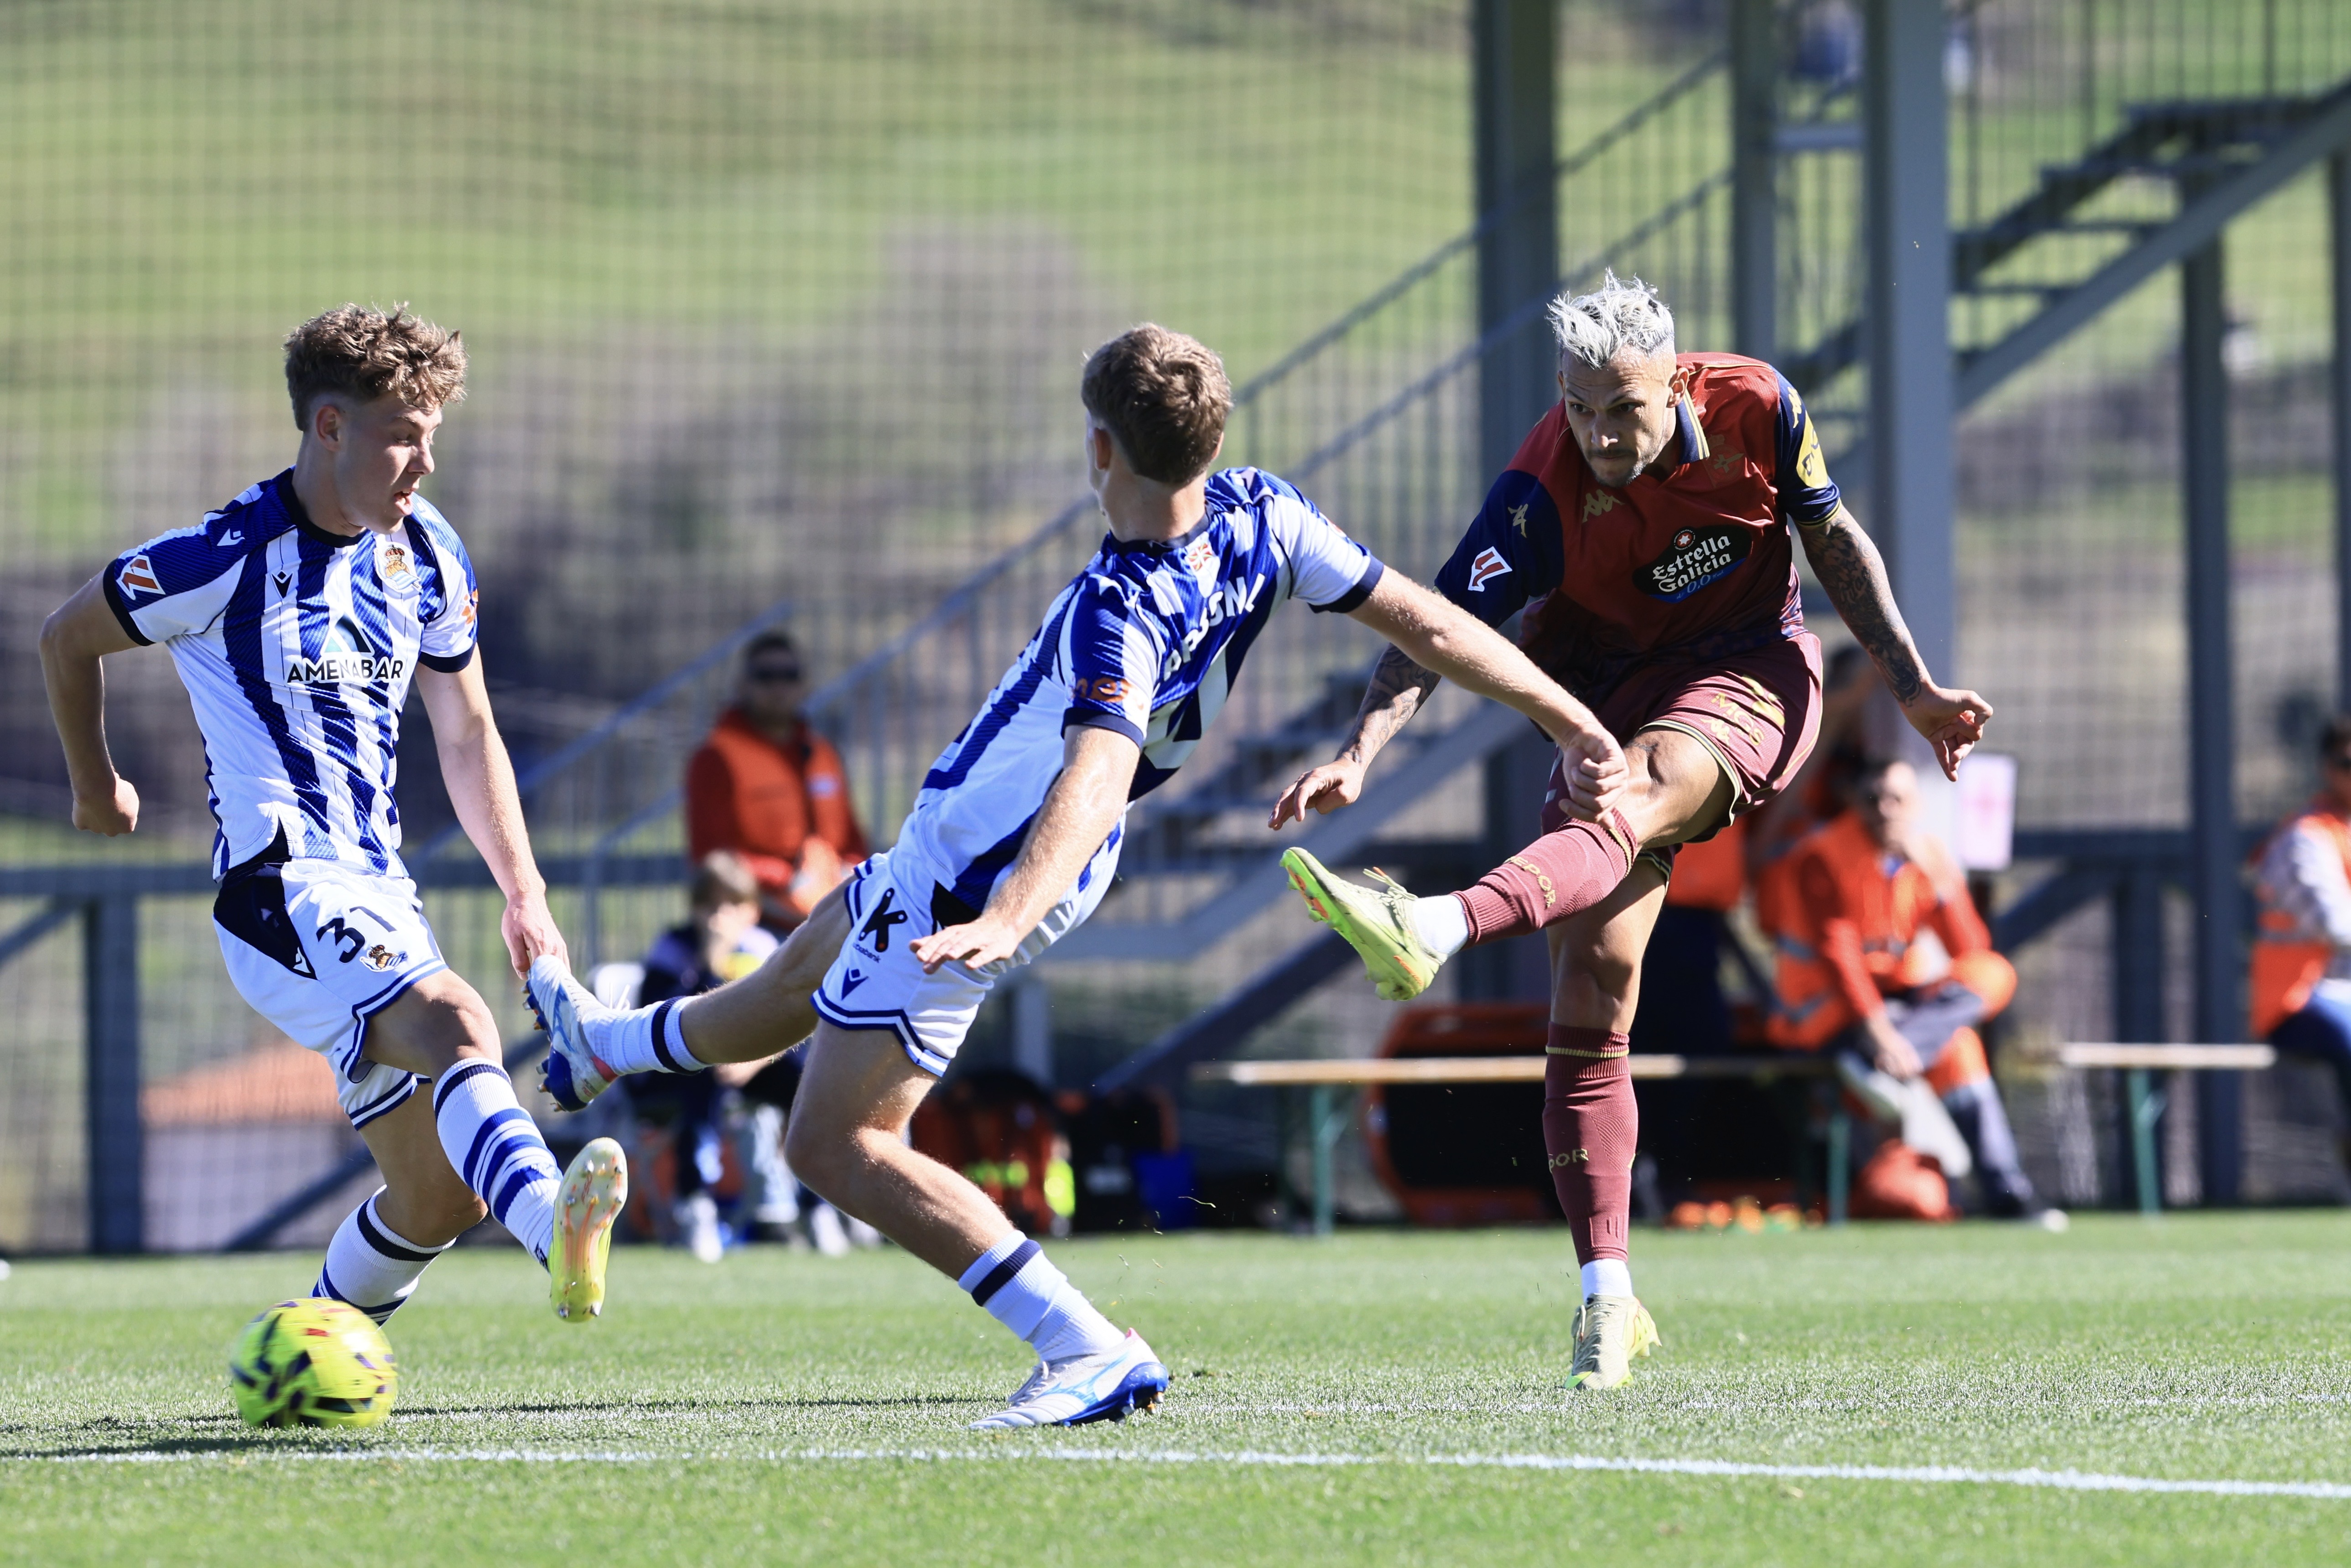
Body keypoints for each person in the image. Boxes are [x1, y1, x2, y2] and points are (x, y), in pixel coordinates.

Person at [524, 323, 1627, 1428]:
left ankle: (1084, 1347)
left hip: (977, 879)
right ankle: (602, 1045)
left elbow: (1096, 774)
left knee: (834, 1142)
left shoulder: (1124, 605)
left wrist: (1005, 916)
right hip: (970, 856)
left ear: (1100, 449)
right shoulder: (1264, 512)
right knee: (793, 976)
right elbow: (1430, 619)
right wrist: (1570, 719)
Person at [1268, 273, 1993, 1390]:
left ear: (1677, 385)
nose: (1601, 435)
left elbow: (1833, 537)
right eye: (1580, 408)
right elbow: (1436, 624)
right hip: (1598, 707)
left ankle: (1438, 924)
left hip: (1750, 675)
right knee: (1593, 994)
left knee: (1642, 785)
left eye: (1625, 410)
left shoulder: (1759, 407)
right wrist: (1360, 752)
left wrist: (1913, 688)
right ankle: (1608, 1298)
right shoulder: (1538, 493)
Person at [37, 305, 626, 1325]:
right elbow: (65, 637)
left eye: (432, 435)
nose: (426, 463)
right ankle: (552, 1226)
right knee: (460, 1023)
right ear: (329, 428)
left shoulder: (427, 553)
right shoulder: (223, 553)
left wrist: (524, 894)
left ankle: (297, 1360)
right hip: (279, 891)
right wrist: (97, 785)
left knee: (435, 1195)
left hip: (380, 893)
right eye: (404, 436)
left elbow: (468, 731)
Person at [1766, 757, 2040, 1216]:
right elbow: (1840, 956)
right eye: (1873, 799)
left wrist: (1940, 881)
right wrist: (1882, 1037)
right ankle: (1885, 1059)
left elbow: (1971, 950)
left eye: (1897, 799)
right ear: (1855, 803)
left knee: (1993, 977)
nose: (1886, 809)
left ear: (1916, 804)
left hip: (1899, 1020)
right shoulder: (1822, 854)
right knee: (1955, 1043)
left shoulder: (1926, 855)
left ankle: (2008, 1194)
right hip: (1828, 1013)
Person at [624, 851, 780, 1262]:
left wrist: (753, 1062)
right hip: (671, 1073)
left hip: (746, 1066)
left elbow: (785, 1018)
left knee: (802, 1070)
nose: (719, 916)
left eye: (733, 905)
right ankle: (695, 1202)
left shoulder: (764, 949)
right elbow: (665, 1022)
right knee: (702, 1069)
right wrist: (713, 963)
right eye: (710, 905)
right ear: (694, 909)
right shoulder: (673, 948)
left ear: (753, 911)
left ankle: (813, 1206)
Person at [687, 630, 867, 929]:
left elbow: (852, 837)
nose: (778, 686)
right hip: (758, 919)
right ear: (742, 686)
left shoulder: (822, 752)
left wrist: (853, 872)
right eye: (765, 676)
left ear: (804, 685)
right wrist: (787, 879)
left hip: (834, 911)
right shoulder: (716, 757)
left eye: (789, 676)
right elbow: (712, 856)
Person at [2251, 715, 2351, 1163]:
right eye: (2347, 763)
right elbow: (2336, 926)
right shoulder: (2304, 838)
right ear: (2326, 768)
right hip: (2298, 1001)